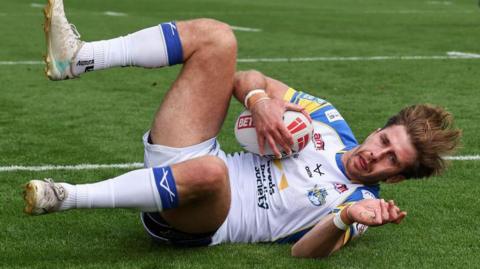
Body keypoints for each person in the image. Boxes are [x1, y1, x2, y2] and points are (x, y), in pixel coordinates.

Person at [24, 0, 461, 259]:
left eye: (391, 161)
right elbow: (245, 78)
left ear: (396, 176)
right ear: (377, 131)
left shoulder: (362, 203)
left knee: (211, 174)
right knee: (219, 38)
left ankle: (64, 196)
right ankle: (77, 59)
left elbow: (303, 251)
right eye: (384, 142)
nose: (377, 155)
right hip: (193, 152)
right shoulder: (326, 118)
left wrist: (345, 218)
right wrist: (261, 102)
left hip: (199, 219)